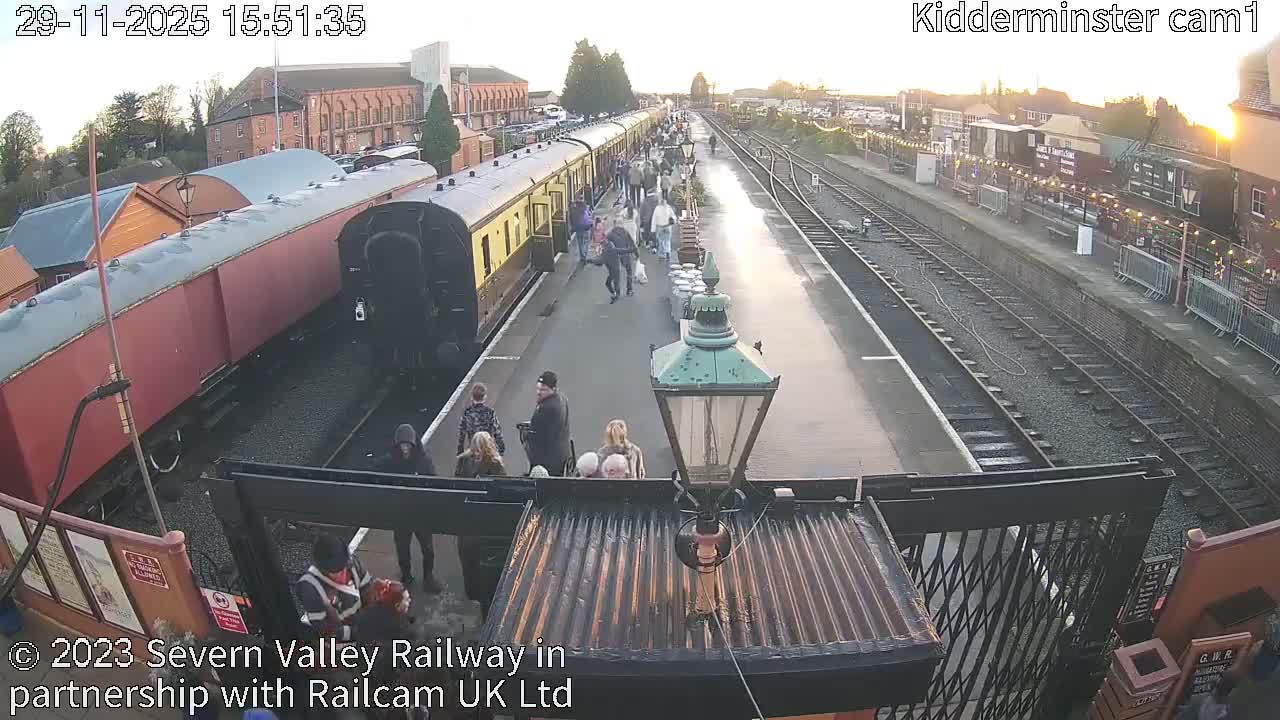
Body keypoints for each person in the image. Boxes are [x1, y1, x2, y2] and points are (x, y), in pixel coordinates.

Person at [377, 424, 442, 592]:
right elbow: (376, 473)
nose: (405, 449)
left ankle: (428, 577)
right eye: (402, 445)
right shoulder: (390, 461)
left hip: (420, 513)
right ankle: (406, 576)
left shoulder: (423, 461)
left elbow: (434, 481)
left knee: (428, 549)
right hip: (401, 513)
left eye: (407, 445)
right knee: (402, 549)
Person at [527, 371, 572, 475]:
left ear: (553, 389)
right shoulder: (562, 399)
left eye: (543, 390)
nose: (539, 392)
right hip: (562, 456)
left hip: (547, 461)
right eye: (538, 388)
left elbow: (536, 435)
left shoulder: (546, 407)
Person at [457, 382, 504, 456]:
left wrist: (460, 450)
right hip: (488, 449)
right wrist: (501, 449)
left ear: (472, 397)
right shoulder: (490, 412)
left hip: (473, 449)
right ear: (484, 397)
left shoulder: (467, 413)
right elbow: (497, 432)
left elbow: (462, 433)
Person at [604, 223, 639, 300]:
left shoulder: (610, 234)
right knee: (629, 271)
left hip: (614, 257)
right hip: (625, 255)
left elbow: (606, 245)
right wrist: (637, 254)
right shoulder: (626, 232)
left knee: (615, 274)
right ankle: (629, 289)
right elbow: (632, 244)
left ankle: (616, 292)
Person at [651, 196, 677, 261]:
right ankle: (668, 251)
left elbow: (654, 219)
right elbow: (673, 216)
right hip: (668, 226)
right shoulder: (668, 207)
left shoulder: (657, 208)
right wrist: (673, 220)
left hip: (660, 227)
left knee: (661, 241)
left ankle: (662, 254)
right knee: (667, 240)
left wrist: (653, 229)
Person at [569, 194, 593, 265]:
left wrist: (573, 228)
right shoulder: (586, 208)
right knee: (586, 242)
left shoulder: (573, 210)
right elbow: (590, 217)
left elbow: (571, 220)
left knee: (580, 243)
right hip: (586, 228)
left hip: (578, 229)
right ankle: (584, 255)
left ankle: (582, 256)